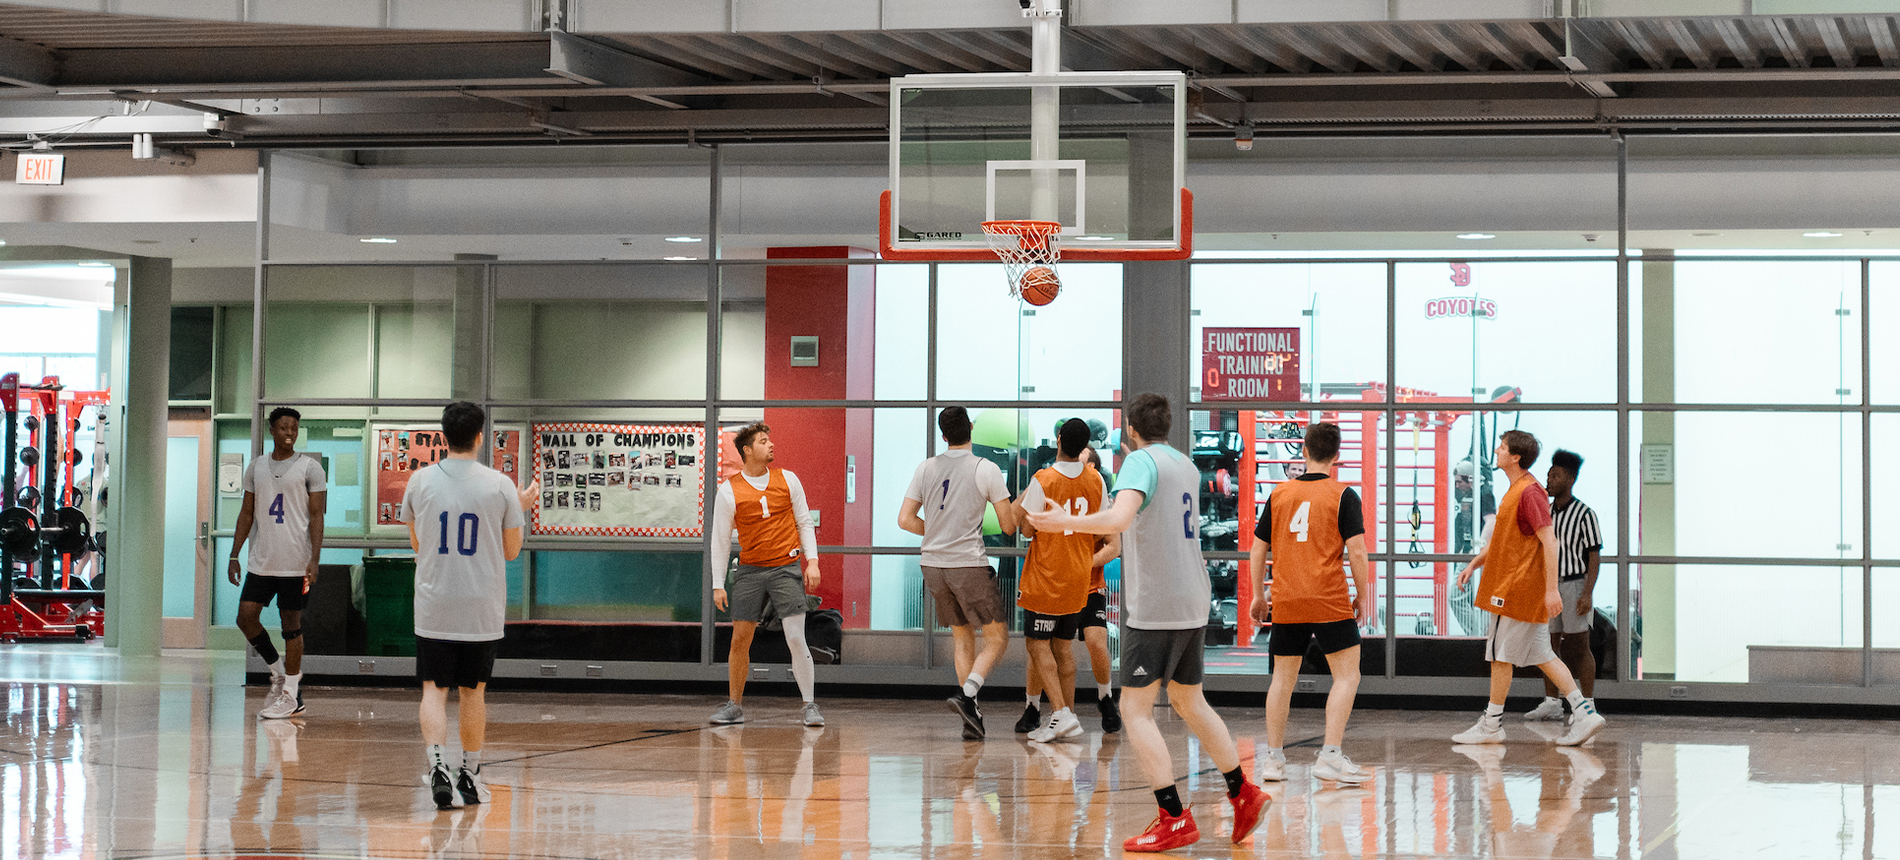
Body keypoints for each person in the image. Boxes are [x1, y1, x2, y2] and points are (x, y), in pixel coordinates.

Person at [1027, 394, 1268, 852]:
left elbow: (1120, 517)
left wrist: (1063, 523)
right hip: (1194, 601)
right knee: (1188, 699)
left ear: (1130, 430)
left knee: (1136, 711)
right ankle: (1243, 792)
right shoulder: (1186, 465)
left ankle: (1173, 816)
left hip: (1156, 606)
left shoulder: (1139, 461)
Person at [400, 401, 539, 809]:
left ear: (444, 437)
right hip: (480, 606)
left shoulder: (420, 482)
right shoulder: (500, 485)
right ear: (480, 436)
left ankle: (437, 766)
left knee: (433, 689)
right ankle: (470, 775)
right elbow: (512, 550)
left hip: (433, 602)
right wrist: (520, 509)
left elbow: (416, 543)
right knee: (473, 692)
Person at [1451, 430, 1605, 748]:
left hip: (1516, 591)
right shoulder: (1516, 491)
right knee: (1544, 654)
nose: (1496, 450)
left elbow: (1550, 542)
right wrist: (1473, 565)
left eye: (1503, 447)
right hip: (1517, 589)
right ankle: (1584, 712)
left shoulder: (1530, 493)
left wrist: (1551, 591)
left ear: (1515, 456)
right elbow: (1503, 543)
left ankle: (1492, 723)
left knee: (1498, 657)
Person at [1246, 422, 1374, 785]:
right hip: (1329, 598)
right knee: (1347, 676)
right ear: (1337, 456)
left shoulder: (1280, 494)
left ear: (1303, 451)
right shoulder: (1343, 495)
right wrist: (1363, 596)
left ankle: (1273, 760)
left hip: (1287, 598)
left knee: (1281, 681)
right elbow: (1358, 552)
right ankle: (1330, 755)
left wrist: (1259, 594)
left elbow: (1258, 549)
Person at [898, 406, 1018, 740]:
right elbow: (1008, 526)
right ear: (971, 429)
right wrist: (1021, 504)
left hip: (933, 565)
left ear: (943, 435)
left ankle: (972, 713)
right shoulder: (986, 468)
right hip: (968, 564)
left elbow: (905, 519)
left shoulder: (926, 468)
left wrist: (938, 534)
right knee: (997, 638)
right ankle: (966, 697)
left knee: (962, 636)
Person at [707, 422, 824, 728]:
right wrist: (718, 584)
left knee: (796, 638)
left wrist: (812, 562)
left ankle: (810, 705)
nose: (771, 445)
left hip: (785, 568)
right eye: (763, 441)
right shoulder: (729, 490)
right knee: (739, 640)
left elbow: (804, 522)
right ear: (747, 450)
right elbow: (719, 539)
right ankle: (734, 706)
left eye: (769, 440)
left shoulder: (788, 480)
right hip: (750, 570)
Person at [1011, 418, 1110, 744]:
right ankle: (1062, 716)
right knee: (1063, 649)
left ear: (1058, 441)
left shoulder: (1045, 479)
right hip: (1078, 579)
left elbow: (1025, 530)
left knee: (1037, 645)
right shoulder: (1096, 481)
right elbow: (1101, 527)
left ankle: (1061, 714)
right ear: (1084, 447)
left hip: (1047, 577)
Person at [229, 406, 327, 720]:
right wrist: (234, 553)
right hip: (261, 561)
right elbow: (246, 513)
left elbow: (316, 516)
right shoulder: (256, 467)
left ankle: (292, 696)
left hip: (295, 563)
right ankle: (278, 669)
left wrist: (314, 558)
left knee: (291, 627)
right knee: (246, 617)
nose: (289, 433)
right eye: (284, 427)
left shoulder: (311, 468)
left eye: (294, 428)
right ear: (272, 429)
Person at [1524, 449, 1603, 722]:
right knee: (1547, 644)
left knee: (1580, 646)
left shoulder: (1585, 514)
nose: (1549, 479)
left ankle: (1587, 706)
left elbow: (1594, 557)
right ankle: (1552, 703)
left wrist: (1587, 593)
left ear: (1569, 479)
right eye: (1548, 474)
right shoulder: (1544, 512)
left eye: (1555, 475)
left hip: (1573, 584)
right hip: (1548, 586)